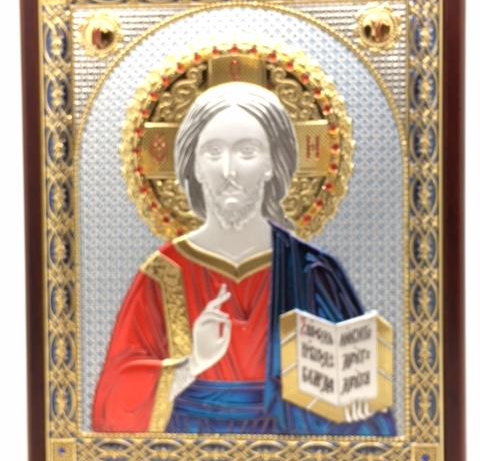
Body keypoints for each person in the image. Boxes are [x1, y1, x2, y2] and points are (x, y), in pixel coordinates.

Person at [92, 82, 395, 436]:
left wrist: (355, 401)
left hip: (290, 450)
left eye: (247, 152)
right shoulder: (164, 273)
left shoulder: (311, 271)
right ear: (195, 166)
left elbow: (364, 407)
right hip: (190, 447)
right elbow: (112, 405)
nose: (228, 171)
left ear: (271, 164)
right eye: (213, 152)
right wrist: (192, 364)